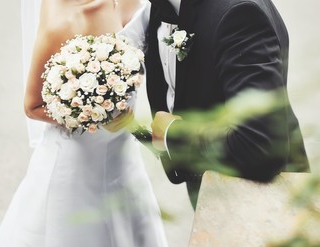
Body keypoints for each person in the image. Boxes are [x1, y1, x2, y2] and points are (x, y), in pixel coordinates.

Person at [0, 0, 171, 247]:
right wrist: (93, 114)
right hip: (77, 164)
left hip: (123, 155)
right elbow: (33, 105)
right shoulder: (61, 21)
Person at [121, 0, 310, 208]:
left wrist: (174, 134)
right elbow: (170, 113)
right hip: (208, 200)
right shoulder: (158, 10)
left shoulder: (239, 13)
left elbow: (259, 147)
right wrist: (130, 124)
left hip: (268, 208)